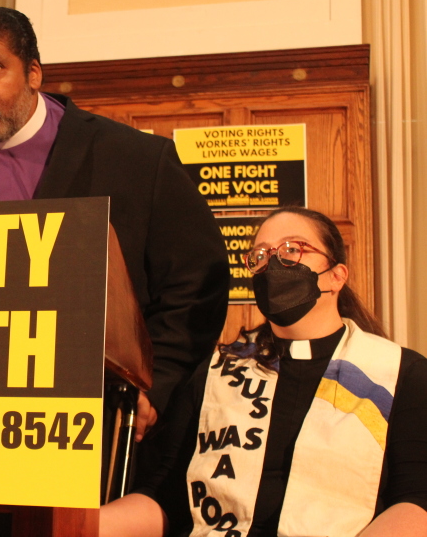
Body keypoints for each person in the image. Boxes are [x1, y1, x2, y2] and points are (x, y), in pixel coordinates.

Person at [0, 6, 229, 441]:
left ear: (34, 73)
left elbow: (197, 285)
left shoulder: (137, 161)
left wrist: (157, 384)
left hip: (89, 424)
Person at [100, 206, 427, 537]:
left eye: (291, 249)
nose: (272, 263)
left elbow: (417, 500)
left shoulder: (399, 374)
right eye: (259, 255)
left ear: (336, 275)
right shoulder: (214, 374)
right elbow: (168, 495)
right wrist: (82, 523)